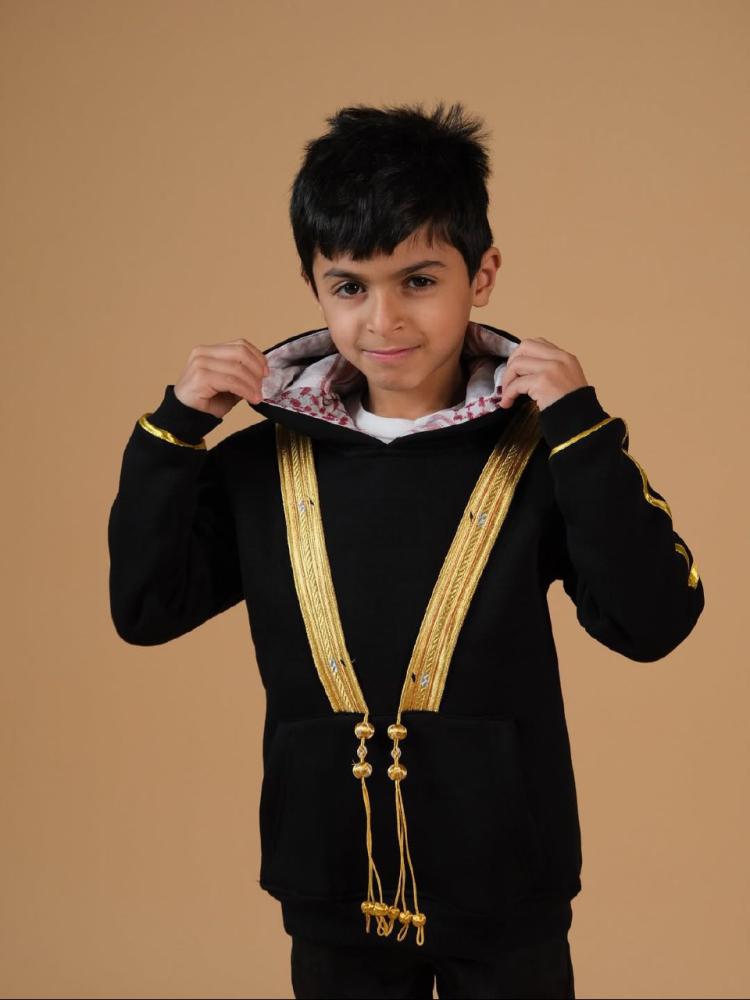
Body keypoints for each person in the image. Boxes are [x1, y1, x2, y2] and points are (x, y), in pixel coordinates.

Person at [107, 101, 705, 999]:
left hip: (508, 876)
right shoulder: (260, 463)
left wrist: (582, 429)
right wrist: (172, 432)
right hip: (327, 875)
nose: (383, 320)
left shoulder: (547, 451)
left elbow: (653, 621)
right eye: (349, 286)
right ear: (314, 286)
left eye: (418, 281)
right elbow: (146, 609)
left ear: (482, 273)